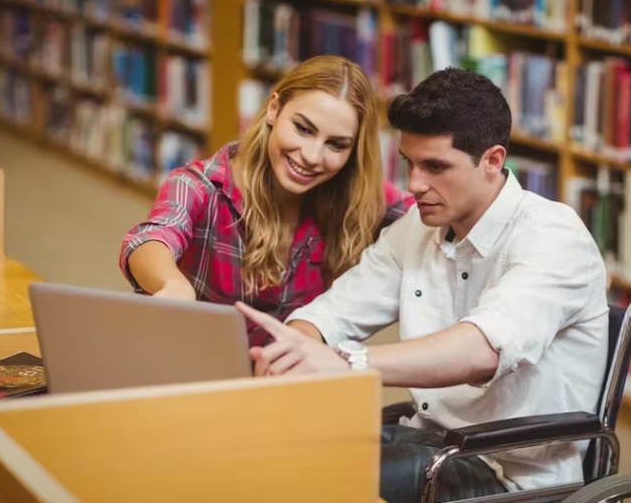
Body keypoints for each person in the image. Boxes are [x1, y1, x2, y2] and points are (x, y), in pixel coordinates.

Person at [237, 67, 609, 502]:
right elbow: (336, 310)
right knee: (272, 457)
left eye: (435, 167)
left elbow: (482, 349)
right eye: (410, 163)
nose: (414, 185)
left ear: (492, 160)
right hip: (432, 443)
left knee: (315, 484)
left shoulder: (553, 236)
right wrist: (297, 346)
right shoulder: (419, 227)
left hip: (511, 472)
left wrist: (349, 362)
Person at [119, 55, 414, 348]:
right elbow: (151, 238)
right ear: (274, 109)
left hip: (286, 381)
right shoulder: (200, 186)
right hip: (198, 372)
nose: (312, 156)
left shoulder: (357, 194)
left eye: (336, 144)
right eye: (303, 129)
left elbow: (429, 210)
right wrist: (173, 284)